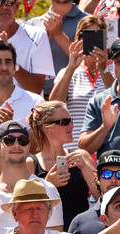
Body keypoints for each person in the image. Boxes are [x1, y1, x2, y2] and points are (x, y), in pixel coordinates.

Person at [0, 121, 63, 234]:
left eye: (22, 140)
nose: (16, 145)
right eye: (9, 140)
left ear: (28, 146)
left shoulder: (47, 189)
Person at [27, 101, 98, 230]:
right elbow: (25, 208)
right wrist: (48, 184)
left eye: (70, 121)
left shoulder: (82, 156)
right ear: (47, 127)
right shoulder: (31, 164)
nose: (72, 126)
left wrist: (84, 168)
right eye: (65, 122)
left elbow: (102, 197)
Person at [49, 16, 114, 153]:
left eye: (96, 35)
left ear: (104, 39)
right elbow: (54, 105)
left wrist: (103, 69)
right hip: (73, 151)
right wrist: (71, 68)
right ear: (78, 40)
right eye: (85, 35)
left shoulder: (114, 69)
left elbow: (118, 98)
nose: (90, 41)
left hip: (108, 151)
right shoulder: (68, 71)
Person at [0, 0, 55, 97]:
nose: (4, 6)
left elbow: (36, 89)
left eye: (9, 1)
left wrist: (10, 61)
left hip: (27, 111)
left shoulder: (37, 35)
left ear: (17, 6)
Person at [27, 0, 88, 96]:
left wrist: (58, 35)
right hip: (36, 97)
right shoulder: (32, 24)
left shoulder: (90, 22)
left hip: (75, 98)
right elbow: (24, 62)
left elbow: (90, 62)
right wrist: (43, 38)